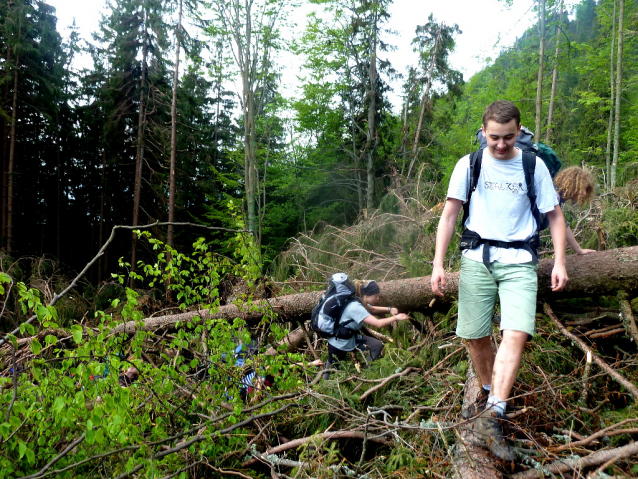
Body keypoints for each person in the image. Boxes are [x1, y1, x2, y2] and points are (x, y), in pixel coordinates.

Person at [430, 100, 568, 461]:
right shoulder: (469, 164)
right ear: (483, 131)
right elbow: (448, 216)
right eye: (494, 138)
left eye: (508, 137)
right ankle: (489, 389)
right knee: (474, 337)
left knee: (515, 333)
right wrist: (438, 264)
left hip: (520, 260)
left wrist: (561, 262)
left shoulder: (532, 166)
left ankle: (493, 415)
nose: (501, 145)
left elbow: (554, 216)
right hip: (477, 258)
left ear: (519, 131)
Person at [323, 279, 409, 380]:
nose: (378, 299)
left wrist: (389, 309)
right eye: (376, 296)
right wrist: (396, 318)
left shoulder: (359, 300)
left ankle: (368, 376)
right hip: (339, 343)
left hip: (352, 338)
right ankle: (323, 388)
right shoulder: (355, 307)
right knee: (331, 370)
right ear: (367, 296)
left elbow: (371, 309)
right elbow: (378, 324)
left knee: (376, 345)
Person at [554, 166, 596, 255]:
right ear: (572, 184)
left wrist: (578, 250)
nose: (584, 193)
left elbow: (562, 225)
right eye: (582, 188)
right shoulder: (553, 196)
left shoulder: (557, 199)